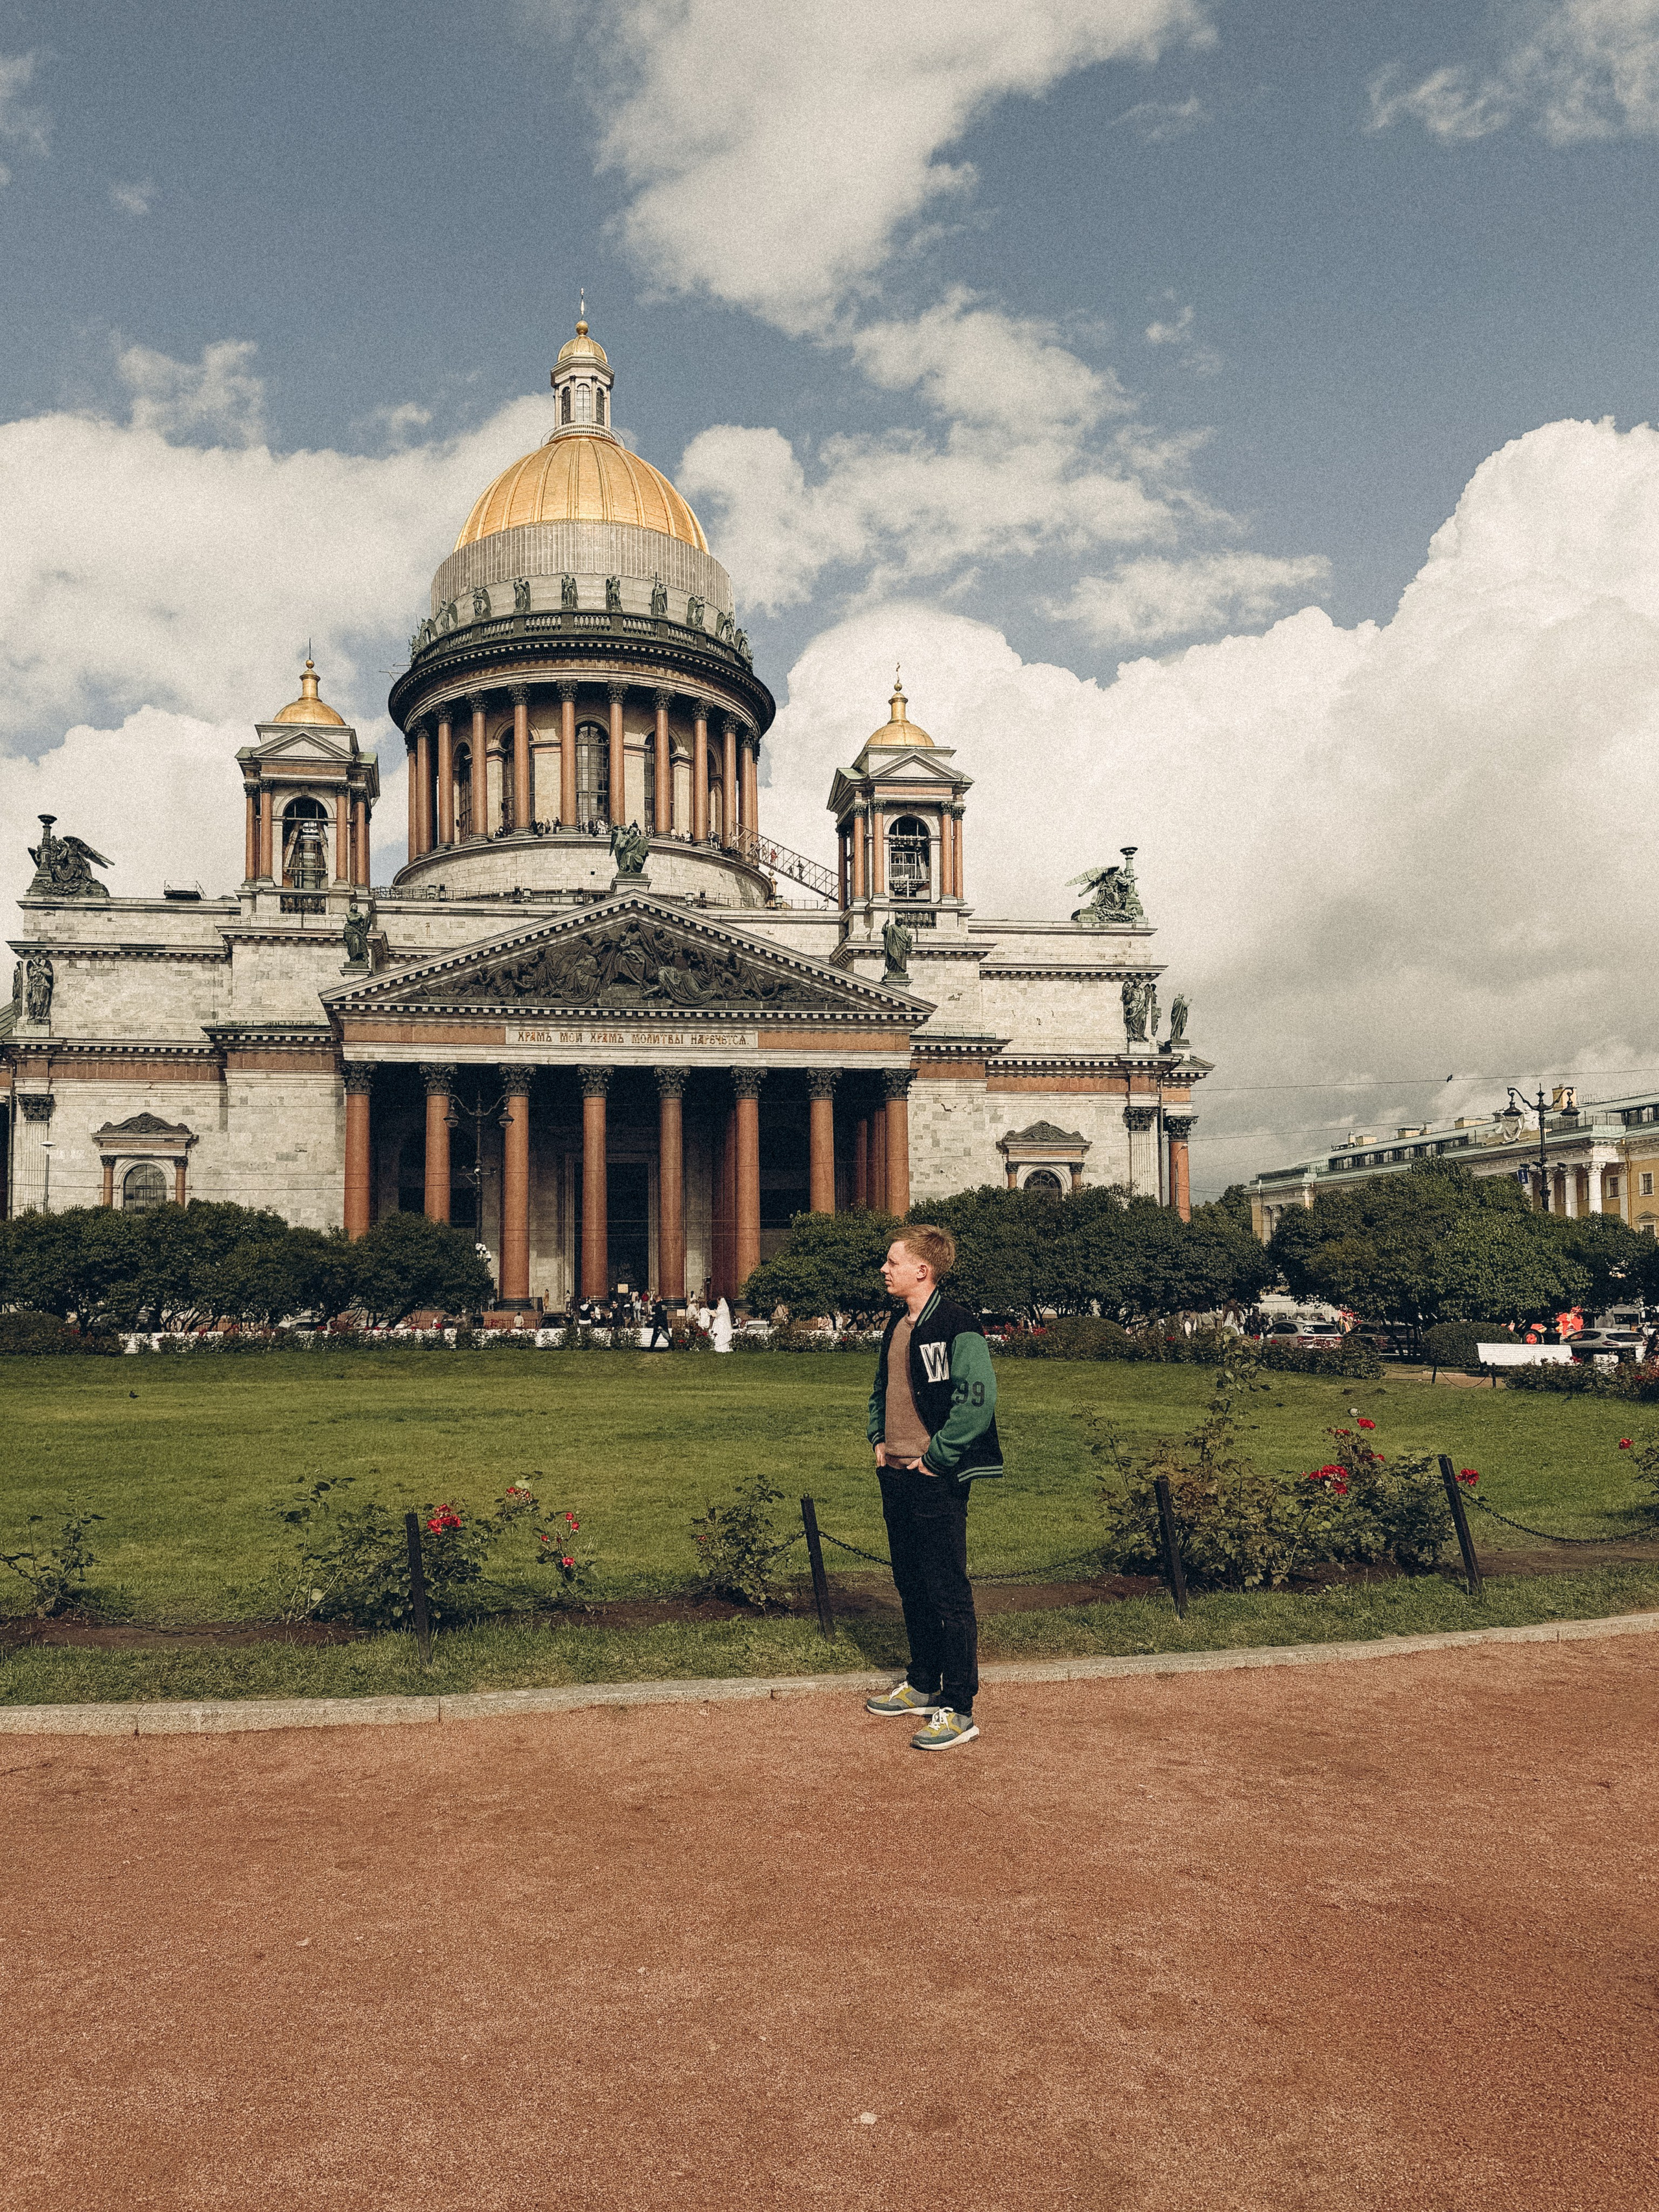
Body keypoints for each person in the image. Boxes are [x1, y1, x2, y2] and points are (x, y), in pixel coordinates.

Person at [863, 1225, 1003, 1752]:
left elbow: (977, 1402)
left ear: (922, 1269)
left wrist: (936, 1459)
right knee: (910, 1582)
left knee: (947, 1589)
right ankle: (923, 1682)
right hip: (895, 1473)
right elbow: (881, 1389)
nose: (885, 1268)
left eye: (893, 1261)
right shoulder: (897, 1325)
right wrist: (878, 1438)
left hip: (934, 1477)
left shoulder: (957, 1323)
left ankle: (959, 1706)